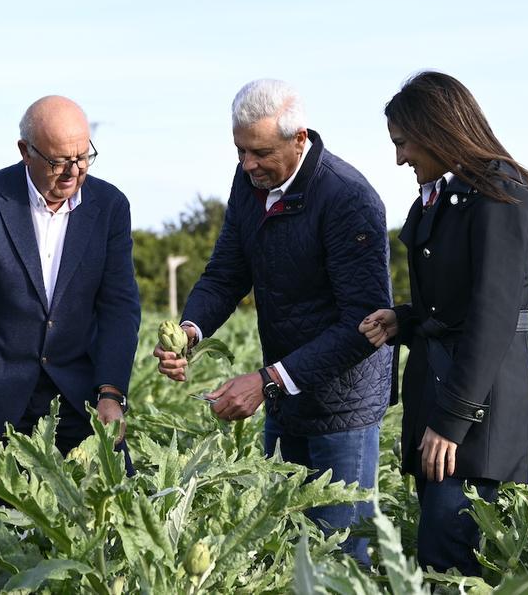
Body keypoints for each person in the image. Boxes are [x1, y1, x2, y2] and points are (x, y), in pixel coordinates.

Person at [155, 79, 392, 566]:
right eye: (240, 150)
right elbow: (225, 274)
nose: (248, 164)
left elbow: (364, 325)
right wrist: (190, 332)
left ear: (299, 138)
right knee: (284, 550)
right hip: (286, 397)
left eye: (260, 152)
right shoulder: (250, 184)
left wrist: (267, 380)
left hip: (342, 408)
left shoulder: (348, 198)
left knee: (340, 558)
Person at [359, 71, 528, 575]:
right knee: (439, 562)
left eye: (403, 143)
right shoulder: (449, 196)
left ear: (436, 131)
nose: (400, 158)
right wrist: (404, 320)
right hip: (443, 403)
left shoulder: (500, 198)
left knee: (451, 568)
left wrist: (452, 421)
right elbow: (452, 306)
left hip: (476, 418)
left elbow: (493, 319)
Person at [0, 96, 140, 467]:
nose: (73, 172)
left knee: (113, 496)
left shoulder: (110, 206)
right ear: (25, 151)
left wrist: (112, 393)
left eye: (82, 158)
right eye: (59, 162)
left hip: (80, 394)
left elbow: (119, 307)